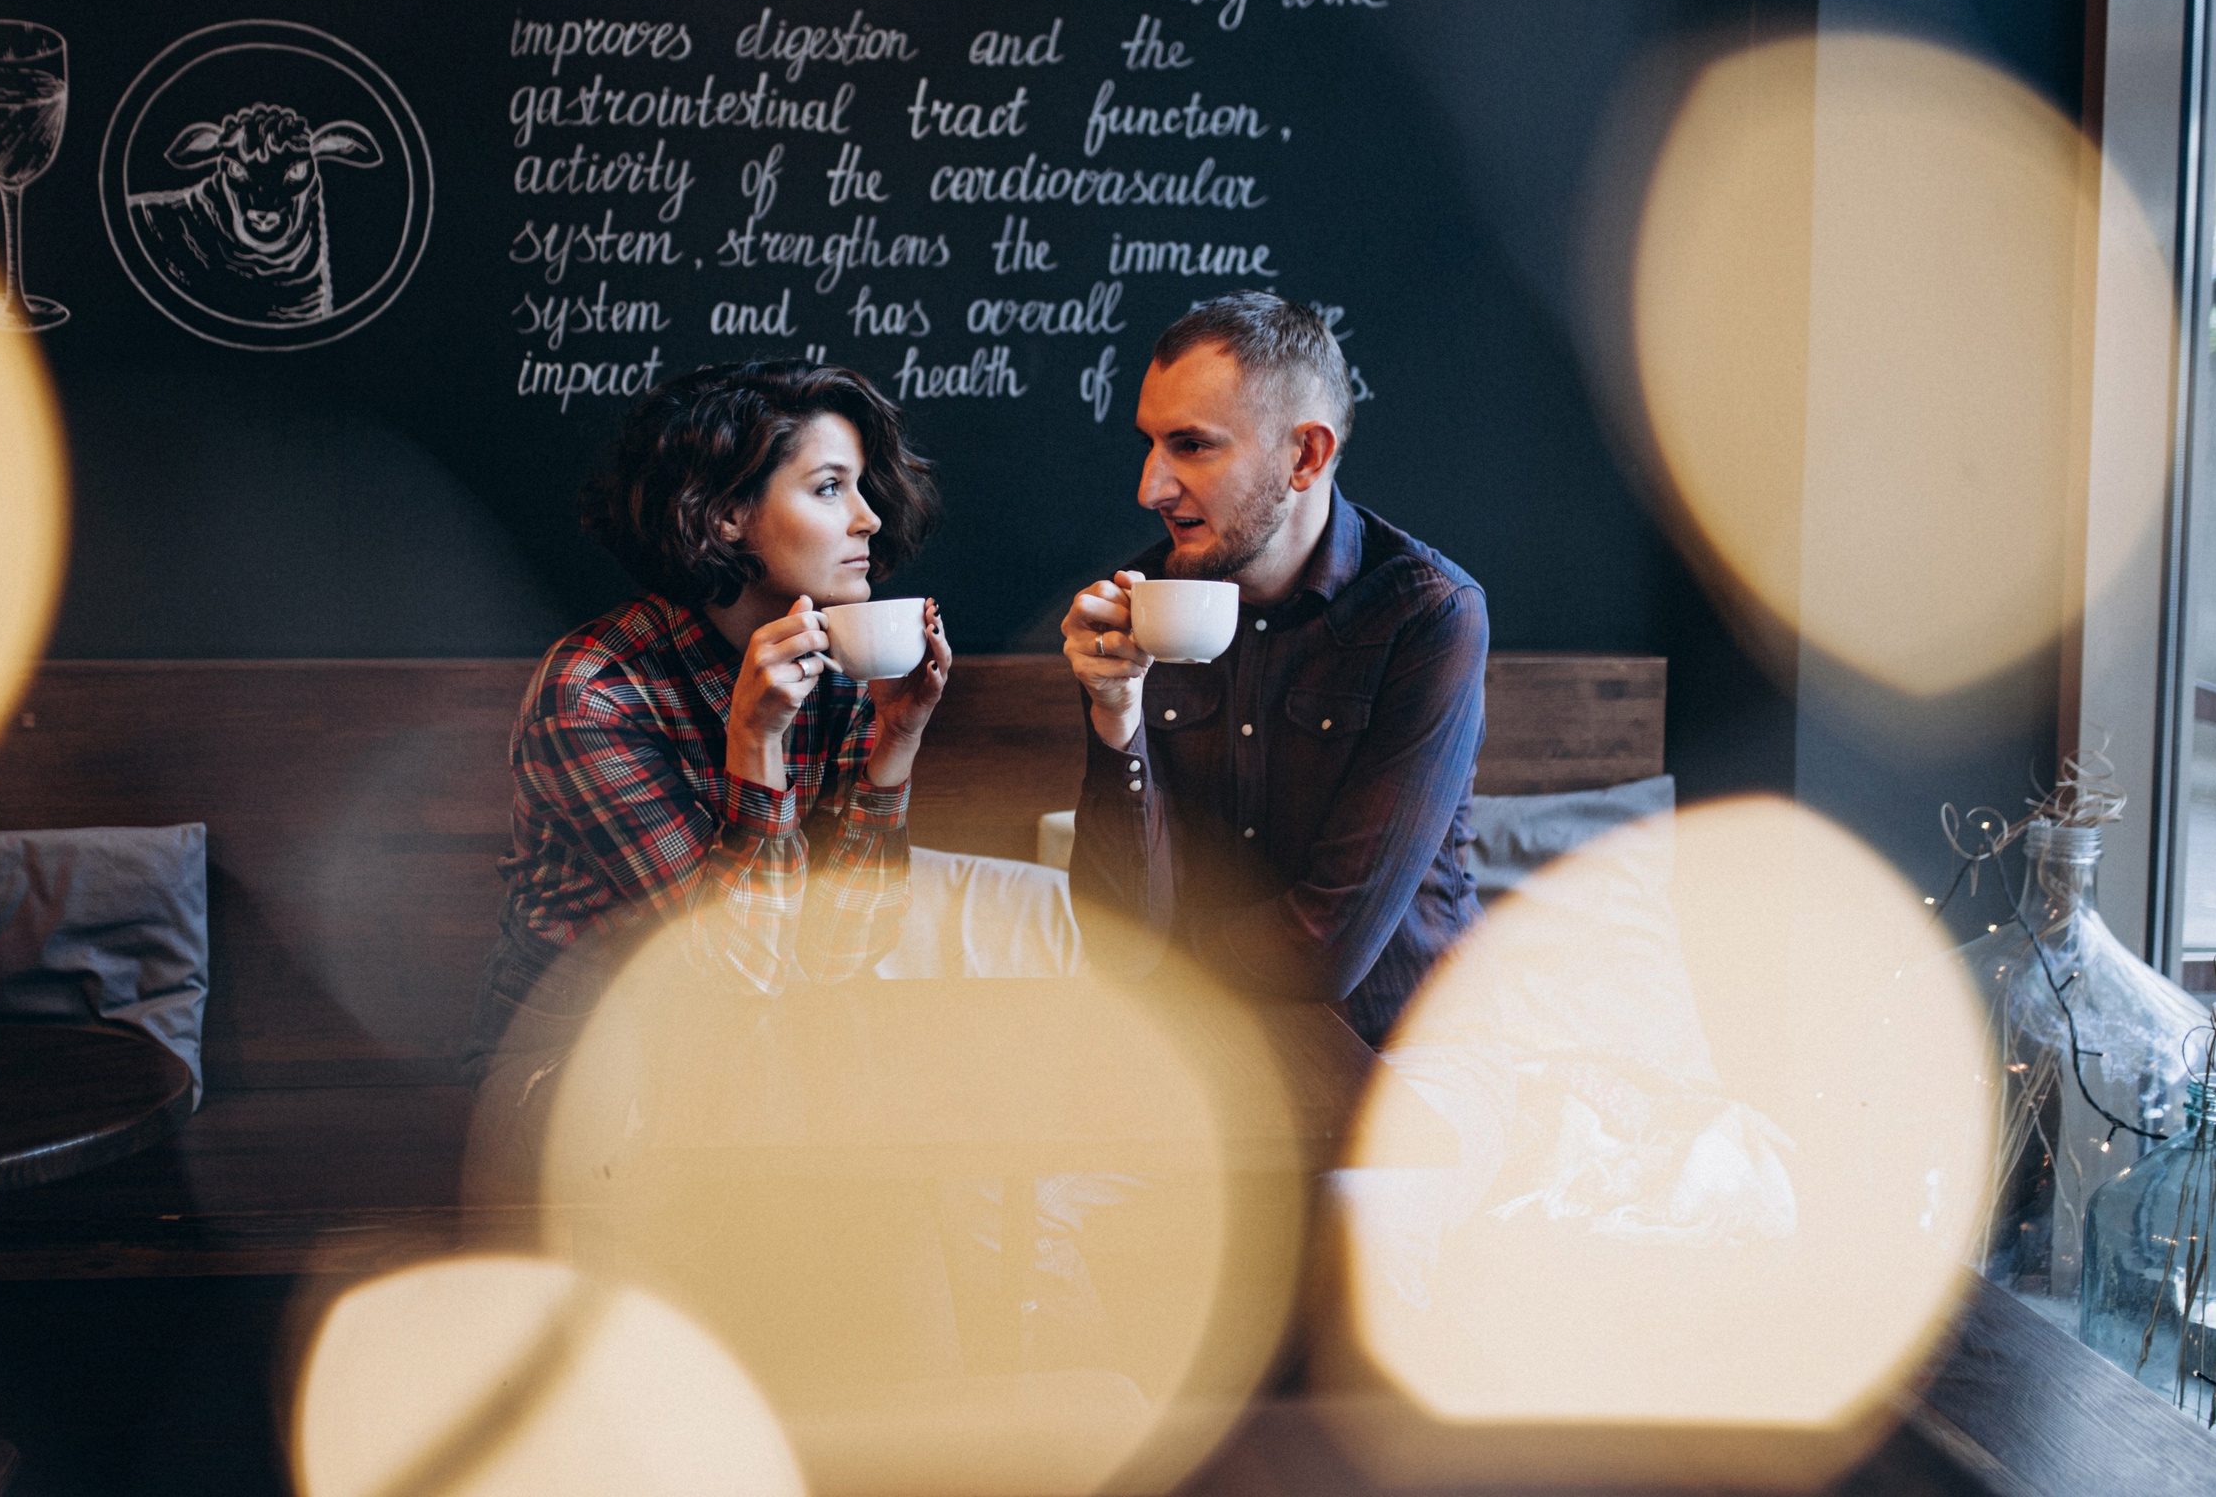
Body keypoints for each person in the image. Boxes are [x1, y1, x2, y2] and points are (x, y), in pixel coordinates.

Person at [462, 358, 951, 1102]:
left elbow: (839, 951)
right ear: (726, 514)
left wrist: (898, 739)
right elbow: (735, 973)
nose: (869, 518)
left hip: (747, 1059)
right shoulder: (595, 695)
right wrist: (755, 745)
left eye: (861, 485)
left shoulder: (839, 665)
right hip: (573, 1067)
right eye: (829, 488)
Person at [1060, 291, 1488, 1047]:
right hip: (1201, 1050)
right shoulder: (1142, 606)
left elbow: (1329, 950)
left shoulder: (1428, 614)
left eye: (1191, 446)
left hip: (1399, 1049)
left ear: (1305, 456)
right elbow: (1116, 930)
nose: (1150, 488)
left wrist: (1159, 971)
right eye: (1149, 445)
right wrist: (1114, 717)